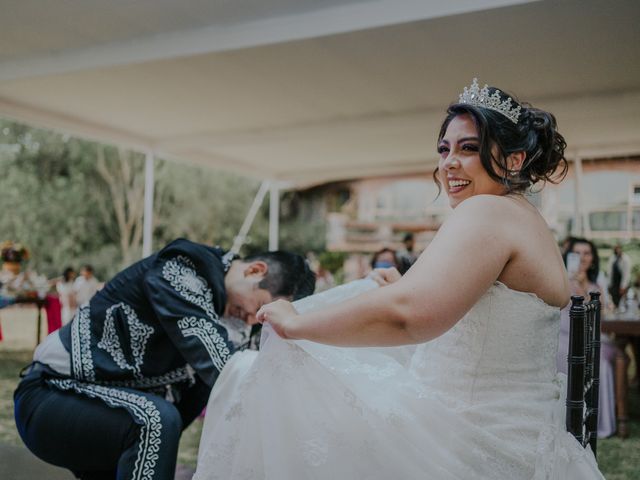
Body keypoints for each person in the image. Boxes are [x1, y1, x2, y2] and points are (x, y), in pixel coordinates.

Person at [193, 79, 604, 479]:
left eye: (469, 149)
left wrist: (297, 324)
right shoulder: (526, 219)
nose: (449, 164)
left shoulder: (486, 212)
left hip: (467, 439)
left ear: (514, 160)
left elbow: (410, 317)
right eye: (444, 150)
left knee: (267, 368)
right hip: (523, 434)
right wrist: (407, 286)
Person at [14, 238, 315, 480]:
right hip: (51, 395)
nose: (252, 319)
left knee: (160, 420)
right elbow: (228, 367)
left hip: (115, 417)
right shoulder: (183, 267)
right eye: (259, 307)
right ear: (254, 271)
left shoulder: (237, 321)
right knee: (155, 420)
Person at [557, 237, 616, 438]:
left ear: (593, 258)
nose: (582, 258)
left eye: (587, 253)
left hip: (591, 339)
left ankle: (598, 422)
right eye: (577, 253)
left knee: (607, 360)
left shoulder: (595, 285)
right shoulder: (560, 280)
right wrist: (574, 283)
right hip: (564, 338)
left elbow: (600, 317)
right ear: (568, 256)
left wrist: (584, 287)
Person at [607, 244, 632, 309]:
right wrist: (609, 284)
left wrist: (623, 286)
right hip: (614, 284)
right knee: (614, 300)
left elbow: (626, 274)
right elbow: (610, 272)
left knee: (622, 301)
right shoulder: (612, 258)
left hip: (621, 283)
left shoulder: (625, 259)